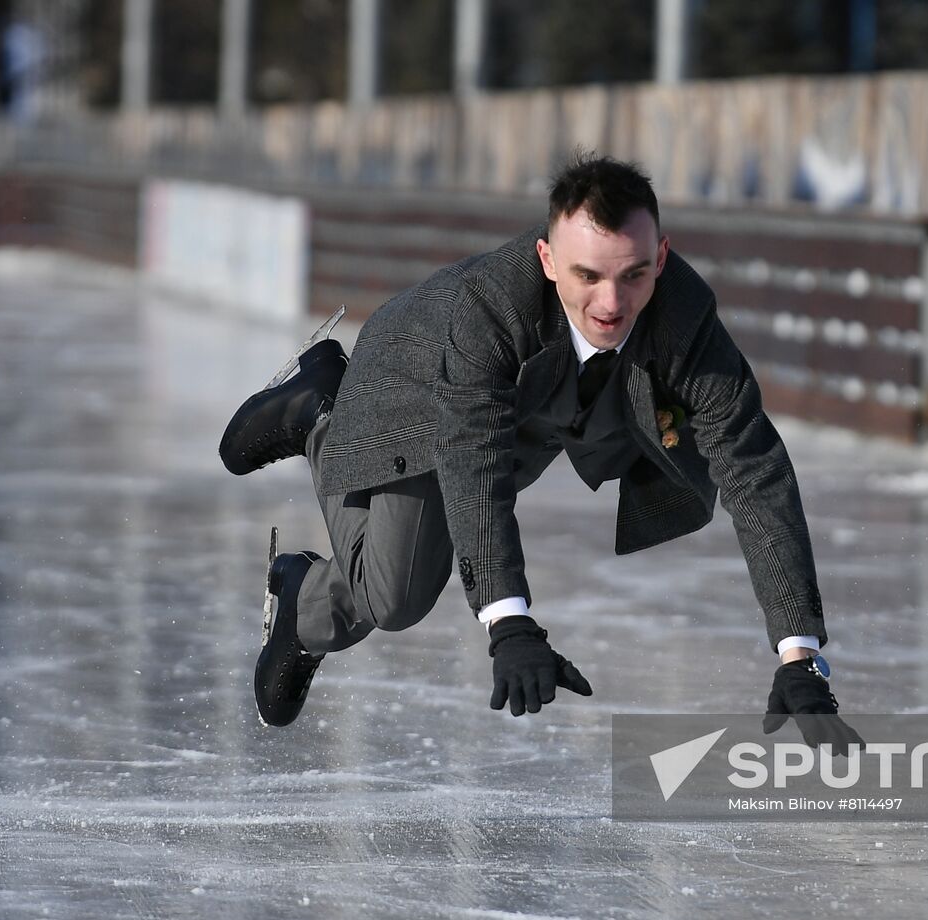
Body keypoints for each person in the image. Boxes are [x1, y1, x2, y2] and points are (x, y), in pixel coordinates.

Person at [220, 153, 859, 747]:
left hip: (544, 406)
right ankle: (322, 412)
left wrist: (799, 654)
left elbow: (755, 472)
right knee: (395, 599)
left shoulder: (685, 320)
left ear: (660, 258)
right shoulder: (487, 309)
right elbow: (475, 463)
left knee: (669, 409)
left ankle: (309, 583)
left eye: (633, 274)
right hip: (417, 390)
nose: (611, 302)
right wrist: (509, 621)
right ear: (549, 259)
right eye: (588, 275)